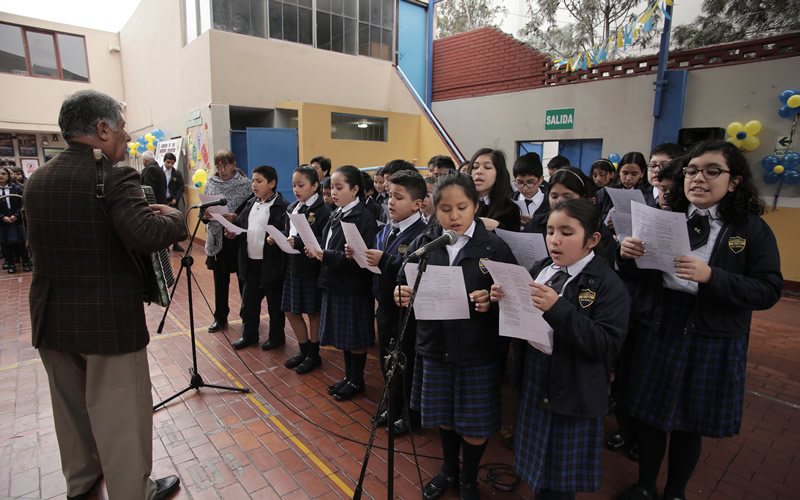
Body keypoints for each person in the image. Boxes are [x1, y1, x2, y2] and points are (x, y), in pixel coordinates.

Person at [23, 89, 185, 500]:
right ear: (101, 128)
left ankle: (81, 484)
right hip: (109, 321)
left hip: (52, 316)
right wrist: (176, 221)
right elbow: (146, 235)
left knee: (70, 411)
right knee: (121, 414)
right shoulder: (114, 175)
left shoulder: (37, 181)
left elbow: (35, 248)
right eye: (123, 127)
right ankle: (133, 491)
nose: (127, 137)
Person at [616, 141, 782, 500]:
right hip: (662, 323)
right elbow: (644, 276)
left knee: (689, 423)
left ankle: (676, 492)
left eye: (712, 171)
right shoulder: (667, 218)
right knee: (650, 415)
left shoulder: (750, 229)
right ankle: (645, 486)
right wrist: (627, 255)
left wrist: (712, 277)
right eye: (691, 171)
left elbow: (768, 289)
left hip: (712, 333)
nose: (698, 179)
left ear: (734, 181)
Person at [491, 198, 630, 500]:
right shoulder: (542, 268)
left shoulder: (608, 285)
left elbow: (607, 345)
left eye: (567, 232)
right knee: (536, 465)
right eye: (551, 230)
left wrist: (558, 309)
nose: (555, 240)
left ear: (592, 239)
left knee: (559, 479)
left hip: (573, 389)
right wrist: (504, 296)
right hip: (537, 377)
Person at [395, 172, 516, 500]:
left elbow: (516, 299)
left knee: (474, 424)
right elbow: (403, 276)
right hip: (435, 346)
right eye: (445, 208)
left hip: (477, 351)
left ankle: (467, 479)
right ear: (435, 209)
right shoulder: (427, 242)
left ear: (475, 206)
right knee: (445, 417)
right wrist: (402, 293)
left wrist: (492, 300)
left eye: (462, 207)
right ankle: (448, 468)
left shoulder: (494, 247)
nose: (454, 215)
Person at [363, 170, 428, 435]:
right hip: (385, 306)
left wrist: (385, 260)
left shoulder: (422, 235)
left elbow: (416, 267)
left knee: (406, 363)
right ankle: (393, 404)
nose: (390, 201)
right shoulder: (389, 229)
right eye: (389, 195)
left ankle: (410, 414)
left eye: (398, 197)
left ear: (417, 204)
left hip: (408, 313)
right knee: (387, 360)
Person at [307, 165, 379, 402]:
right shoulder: (337, 212)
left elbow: (360, 259)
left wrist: (325, 255)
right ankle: (349, 377)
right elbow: (329, 243)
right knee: (344, 338)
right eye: (332, 188)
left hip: (353, 287)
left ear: (355, 189)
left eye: (340, 188)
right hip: (335, 281)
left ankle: (357, 380)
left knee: (354, 338)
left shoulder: (363, 218)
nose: (334, 193)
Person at [224, 165, 289, 350]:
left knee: (274, 306)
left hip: (271, 263)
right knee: (249, 303)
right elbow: (241, 225)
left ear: (272, 183)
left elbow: (287, 232)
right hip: (250, 262)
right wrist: (233, 233)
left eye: (259, 181)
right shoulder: (252, 203)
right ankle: (249, 335)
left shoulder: (282, 207)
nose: (254, 185)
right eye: (253, 181)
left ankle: (276, 337)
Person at [280, 165, 331, 374]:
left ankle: (313, 354)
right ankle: (303, 350)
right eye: (293, 185)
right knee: (291, 310)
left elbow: (324, 240)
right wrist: (280, 237)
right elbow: (289, 232)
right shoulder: (293, 207)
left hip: (311, 268)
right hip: (292, 266)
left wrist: (299, 242)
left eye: (301, 185)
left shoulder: (323, 211)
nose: (296, 189)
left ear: (315, 186)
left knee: (313, 312)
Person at [203, 150, 253, 333]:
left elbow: (249, 212)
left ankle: (247, 316)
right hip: (218, 239)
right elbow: (204, 212)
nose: (222, 170)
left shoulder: (246, 185)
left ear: (234, 164)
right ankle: (220, 317)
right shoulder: (211, 184)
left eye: (225, 165)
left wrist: (237, 217)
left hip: (238, 239)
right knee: (220, 281)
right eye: (218, 166)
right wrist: (206, 216)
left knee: (243, 281)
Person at [467, 148, 521, 232]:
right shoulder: (460, 204)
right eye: (475, 167)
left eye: (487, 167)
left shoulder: (510, 210)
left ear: (499, 173)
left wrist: (498, 227)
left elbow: (513, 242)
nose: (479, 171)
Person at [512, 152, 548, 230]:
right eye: (520, 183)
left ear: (541, 179)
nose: (525, 188)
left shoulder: (550, 203)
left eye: (530, 182)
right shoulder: (509, 202)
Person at [162, 152, 186, 251]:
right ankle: (165, 245)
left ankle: (176, 244)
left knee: (175, 222)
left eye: (172, 163)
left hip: (173, 201)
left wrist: (175, 198)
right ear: (164, 161)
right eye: (168, 162)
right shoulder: (159, 172)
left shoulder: (176, 173)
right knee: (163, 223)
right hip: (163, 201)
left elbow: (181, 187)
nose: (170, 165)